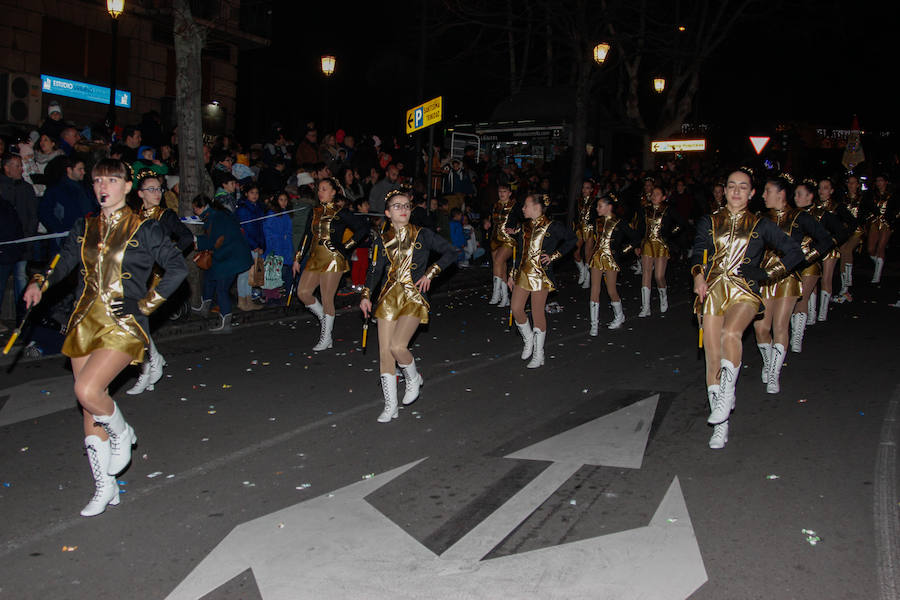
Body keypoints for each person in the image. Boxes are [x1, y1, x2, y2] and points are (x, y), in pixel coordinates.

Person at [22, 158, 187, 516]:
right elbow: (64, 262)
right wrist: (40, 284)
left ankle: (123, 432)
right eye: (98, 180)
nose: (103, 186)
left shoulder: (144, 228)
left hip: (123, 322)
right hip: (85, 321)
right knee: (90, 405)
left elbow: (177, 267)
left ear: (127, 187)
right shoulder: (84, 226)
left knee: (87, 391)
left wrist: (147, 305)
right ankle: (104, 486)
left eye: (112, 180)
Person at [692, 168, 805, 449]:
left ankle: (727, 394)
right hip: (714, 291)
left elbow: (795, 252)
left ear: (752, 193)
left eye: (743, 187)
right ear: (725, 189)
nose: (736, 191)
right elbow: (697, 251)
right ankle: (721, 425)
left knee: (732, 333)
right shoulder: (710, 220)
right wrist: (697, 274)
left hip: (744, 291)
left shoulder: (760, 224)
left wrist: (766, 274)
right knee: (712, 357)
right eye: (732, 186)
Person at [359, 188, 456, 422]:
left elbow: (450, 252)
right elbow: (374, 270)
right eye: (397, 206)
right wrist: (365, 295)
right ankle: (390, 406)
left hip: (414, 297)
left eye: (406, 205)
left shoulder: (423, 234)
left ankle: (413, 377)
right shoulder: (381, 239)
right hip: (388, 298)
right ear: (387, 213)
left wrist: (431, 273)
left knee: (398, 347)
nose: (402, 209)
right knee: (385, 352)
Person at [752, 174, 831, 394]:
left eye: (767, 191)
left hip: (787, 278)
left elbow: (825, 239)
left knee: (780, 326)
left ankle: (774, 374)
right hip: (765, 278)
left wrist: (806, 258)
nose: (764, 195)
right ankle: (768, 362)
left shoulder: (799, 217)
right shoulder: (761, 217)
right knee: (761, 328)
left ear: (781, 194)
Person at [126, 170, 193, 395]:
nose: (157, 193)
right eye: (151, 189)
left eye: (159, 189)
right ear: (140, 193)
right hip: (135, 276)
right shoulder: (133, 216)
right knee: (135, 322)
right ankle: (153, 363)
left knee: (138, 320)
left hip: (156, 276)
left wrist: (170, 257)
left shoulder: (166, 216)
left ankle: (148, 368)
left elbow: (186, 237)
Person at [293, 177, 367, 351]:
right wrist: (297, 257)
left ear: (334, 192)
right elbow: (306, 235)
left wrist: (346, 247)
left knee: (327, 299)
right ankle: (325, 319)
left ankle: (326, 337)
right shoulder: (314, 211)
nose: (320, 192)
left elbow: (363, 227)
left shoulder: (341, 212)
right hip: (314, 258)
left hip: (333, 259)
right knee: (303, 293)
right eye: (319, 189)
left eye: (324, 189)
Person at [508, 193, 576, 369]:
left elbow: (571, 239)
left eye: (526, 206)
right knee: (516, 309)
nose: (523, 209)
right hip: (523, 274)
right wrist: (512, 273)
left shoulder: (552, 226)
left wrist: (554, 256)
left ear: (536, 208)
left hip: (541, 276)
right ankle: (529, 339)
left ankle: (539, 354)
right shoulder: (524, 227)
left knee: (538, 313)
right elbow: (520, 252)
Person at [191, 194, 253, 334]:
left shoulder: (215, 218)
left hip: (230, 258)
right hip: (232, 255)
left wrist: (196, 241)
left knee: (222, 289)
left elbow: (214, 240)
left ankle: (225, 321)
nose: (194, 212)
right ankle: (205, 307)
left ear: (201, 207)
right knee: (209, 277)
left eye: (195, 209)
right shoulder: (218, 214)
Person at [587, 193, 640, 335]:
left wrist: (622, 251)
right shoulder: (596, 222)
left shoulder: (619, 222)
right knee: (595, 289)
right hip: (597, 258)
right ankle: (594, 324)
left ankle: (619, 315)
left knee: (611, 290)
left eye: (600, 206)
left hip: (611, 259)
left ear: (609, 207)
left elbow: (635, 238)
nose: (597, 208)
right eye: (597, 206)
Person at [790, 179, 835, 342]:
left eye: (800, 194)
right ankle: (808, 318)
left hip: (810, 262)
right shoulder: (791, 214)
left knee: (802, 296)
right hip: (791, 263)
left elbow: (836, 235)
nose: (796, 198)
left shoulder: (822, 214)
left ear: (810, 196)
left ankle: (797, 338)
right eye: (795, 194)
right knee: (793, 298)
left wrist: (814, 254)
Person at [636, 185, 685, 317]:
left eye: (657, 194)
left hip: (661, 245)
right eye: (652, 193)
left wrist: (669, 234)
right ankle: (646, 307)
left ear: (663, 197)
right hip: (647, 244)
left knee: (659, 276)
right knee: (646, 273)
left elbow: (681, 223)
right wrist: (637, 245)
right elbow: (640, 227)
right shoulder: (645, 210)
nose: (653, 196)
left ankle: (663, 295)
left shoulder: (668, 210)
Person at [812, 177, 854, 320]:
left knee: (826, 278)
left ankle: (822, 313)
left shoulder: (838, 207)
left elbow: (851, 223)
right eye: (820, 188)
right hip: (813, 247)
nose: (821, 191)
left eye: (825, 188)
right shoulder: (812, 205)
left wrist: (839, 239)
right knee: (812, 279)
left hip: (830, 247)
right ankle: (811, 313)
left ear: (831, 190)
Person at [487, 182, 521, 307]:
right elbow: (489, 219)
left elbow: (526, 221)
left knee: (498, 261)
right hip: (495, 239)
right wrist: (486, 222)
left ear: (510, 193)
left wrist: (516, 230)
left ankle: (496, 294)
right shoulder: (494, 205)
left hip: (508, 239)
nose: (502, 194)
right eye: (500, 191)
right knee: (501, 267)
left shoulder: (516, 206)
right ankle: (505, 296)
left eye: (505, 191)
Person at [234, 183, 266, 311]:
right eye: (252, 193)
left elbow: (260, 228)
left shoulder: (257, 208)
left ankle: (248, 300)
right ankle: (242, 300)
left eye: (256, 193)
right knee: (244, 274)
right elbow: (245, 230)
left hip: (256, 245)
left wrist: (261, 245)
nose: (255, 195)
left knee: (250, 275)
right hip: (246, 245)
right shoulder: (243, 209)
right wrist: (254, 245)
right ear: (246, 194)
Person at [835, 174, 866, 302]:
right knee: (842, 251)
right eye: (849, 182)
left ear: (858, 185)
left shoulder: (863, 199)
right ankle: (844, 285)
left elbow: (865, 215)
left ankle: (847, 280)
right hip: (845, 231)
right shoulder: (842, 199)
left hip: (857, 231)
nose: (851, 185)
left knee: (847, 250)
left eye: (854, 183)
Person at [864, 174, 896, 284]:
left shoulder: (893, 195)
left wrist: (891, 219)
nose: (879, 183)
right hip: (874, 221)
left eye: (881, 180)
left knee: (881, 247)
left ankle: (877, 275)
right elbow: (867, 207)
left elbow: (895, 209)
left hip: (887, 223)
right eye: (877, 180)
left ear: (886, 182)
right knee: (870, 249)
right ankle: (879, 262)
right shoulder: (872, 194)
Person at [263, 191, 295, 297]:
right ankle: (273, 295)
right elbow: (268, 231)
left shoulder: (286, 213)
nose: (284, 202)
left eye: (285, 200)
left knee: (286, 270)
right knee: (274, 272)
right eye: (281, 200)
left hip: (286, 247)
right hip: (276, 247)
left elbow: (289, 230)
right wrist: (275, 241)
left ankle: (285, 292)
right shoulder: (272, 214)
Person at [573, 180, 596, 289]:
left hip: (590, 229)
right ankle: (583, 271)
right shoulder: (578, 201)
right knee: (575, 252)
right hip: (580, 229)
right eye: (583, 187)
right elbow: (575, 216)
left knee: (588, 255)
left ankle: (588, 278)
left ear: (591, 190)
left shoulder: (595, 201)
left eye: (587, 188)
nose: (584, 190)